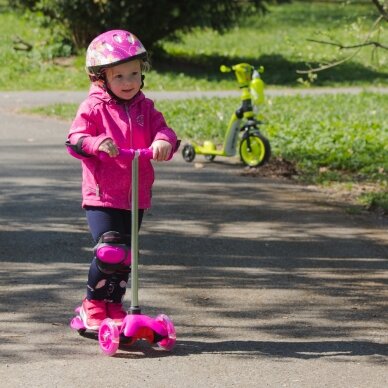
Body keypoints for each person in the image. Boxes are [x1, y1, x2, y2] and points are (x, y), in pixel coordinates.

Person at [66, 30, 178, 330]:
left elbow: (165, 131)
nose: (129, 82)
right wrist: (95, 143)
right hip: (102, 195)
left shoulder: (147, 108)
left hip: (136, 194)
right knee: (110, 250)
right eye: (119, 77)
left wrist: (164, 142)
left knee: (126, 258)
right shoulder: (93, 108)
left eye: (134, 74)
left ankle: (113, 306)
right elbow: (75, 138)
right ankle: (92, 306)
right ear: (100, 78)